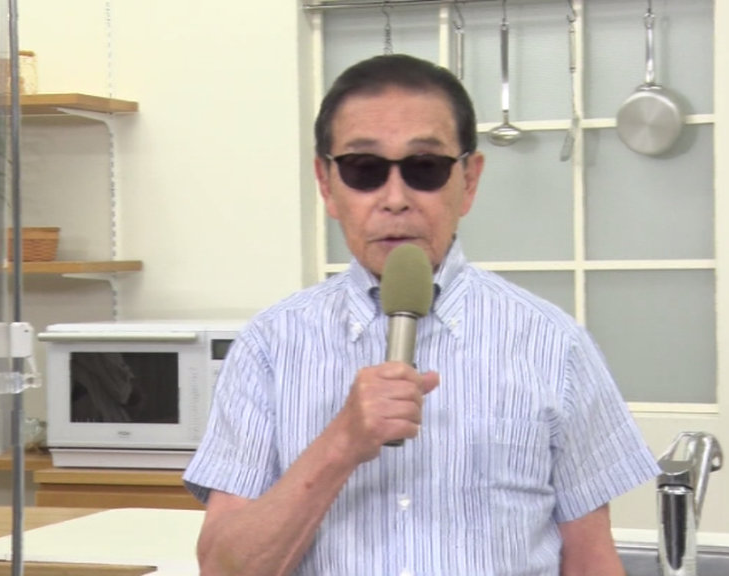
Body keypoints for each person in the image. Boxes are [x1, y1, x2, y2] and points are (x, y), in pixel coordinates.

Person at [183, 53, 660, 576]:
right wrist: (340, 445)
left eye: (424, 169)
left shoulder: (553, 344)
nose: (395, 199)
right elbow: (223, 568)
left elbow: (591, 560)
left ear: (469, 181)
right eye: (364, 169)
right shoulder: (269, 346)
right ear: (326, 183)